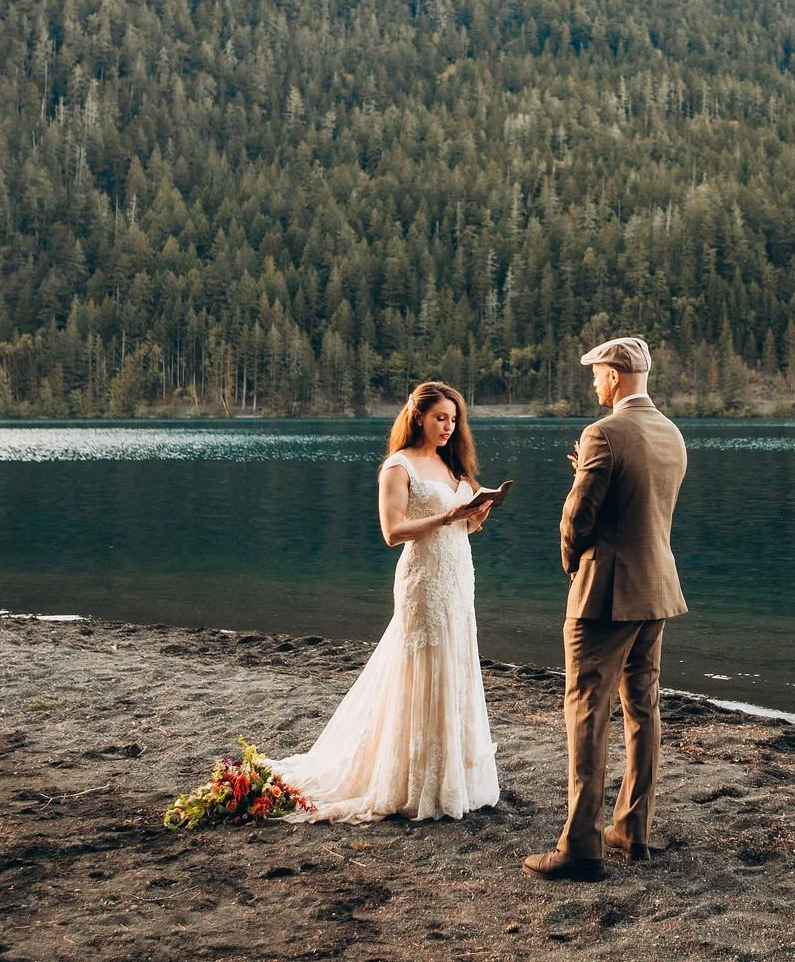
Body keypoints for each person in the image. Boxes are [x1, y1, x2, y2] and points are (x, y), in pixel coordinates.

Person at [270, 381, 510, 822]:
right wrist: (448, 516)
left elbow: (458, 527)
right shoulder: (397, 467)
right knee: (422, 667)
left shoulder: (450, 464)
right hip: (424, 581)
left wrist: (475, 517)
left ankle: (452, 776)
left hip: (458, 576)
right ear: (418, 416)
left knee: (455, 662)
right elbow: (392, 532)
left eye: (454, 420)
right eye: (440, 417)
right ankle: (412, 779)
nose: (448, 427)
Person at [523, 336, 688, 881]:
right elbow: (641, 506)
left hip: (605, 595)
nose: (593, 382)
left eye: (596, 373)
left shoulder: (604, 434)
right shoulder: (670, 433)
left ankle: (580, 848)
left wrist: (573, 566)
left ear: (615, 376)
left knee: (587, 713)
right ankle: (633, 831)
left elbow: (577, 521)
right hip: (656, 589)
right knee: (643, 710)